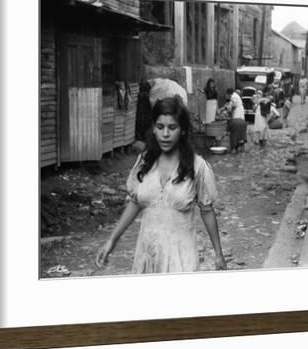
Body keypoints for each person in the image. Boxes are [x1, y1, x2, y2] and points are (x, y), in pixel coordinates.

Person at [95, 97, 226, 273]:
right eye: (160, 127)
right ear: (154, 129)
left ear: (183, 131)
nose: (165, 134)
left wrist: (218, 254)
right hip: (148, 255)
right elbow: (135, 202)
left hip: (181, 259)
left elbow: (207, 210)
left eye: (172, 128)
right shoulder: (145, 161)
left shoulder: (198, 167)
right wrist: (112, 240)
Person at [225, 88, 247, 153]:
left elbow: (234, 105)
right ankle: (242, 147)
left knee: (236, 129)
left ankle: (235, 147)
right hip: (240, 114)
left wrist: (228, 109)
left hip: (237, 114)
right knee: (241, 131)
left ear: (229, 93)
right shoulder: (236, 95)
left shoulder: (233, 96)